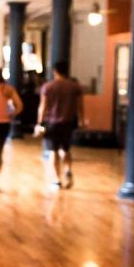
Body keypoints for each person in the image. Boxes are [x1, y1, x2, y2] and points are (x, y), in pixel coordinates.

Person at [37, 61, 85, 189]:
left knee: (53, 151)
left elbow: (43, 107)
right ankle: (68, 169)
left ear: (55, 71)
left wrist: (39, 123)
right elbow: (80, 106)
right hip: (68, 122)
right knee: (65, 149)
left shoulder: (48, 87)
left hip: (52, 123)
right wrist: (82, 119)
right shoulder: (75, 87)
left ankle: (57, 180)